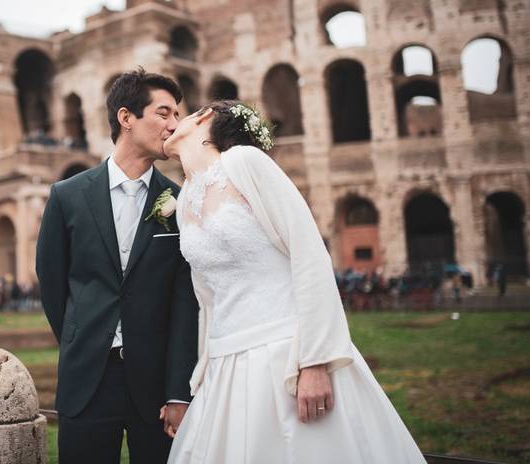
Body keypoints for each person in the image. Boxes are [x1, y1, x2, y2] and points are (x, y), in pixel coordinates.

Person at [162, 100, 425, 464]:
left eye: (180, 114)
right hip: (224, 361)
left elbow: (309, 255)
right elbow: (206, 296)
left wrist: (316, 361)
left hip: (284, 351)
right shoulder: (186, 196)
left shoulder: (244, 163)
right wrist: (204, 369)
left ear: (204, 117)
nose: (171, 123)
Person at [36, 68, 199, 464]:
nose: (173, 126)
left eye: (177, 115)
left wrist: (178, 392)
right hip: (87, 377)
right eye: (164, 113)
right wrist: (82, 339)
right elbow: (53, 285)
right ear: (126, 118)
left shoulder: (182, 200)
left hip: (157, 385)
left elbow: (185, 303)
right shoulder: (67, 196)